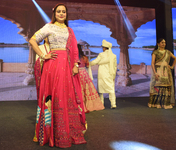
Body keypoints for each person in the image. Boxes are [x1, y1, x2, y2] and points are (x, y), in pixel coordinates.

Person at [29, 3, 87, 148]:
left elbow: (74, 50)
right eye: (59, 12)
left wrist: (75, 65)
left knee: (66, 95)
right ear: (54, 13)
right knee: (53, 95)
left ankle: (67, 131)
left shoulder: (69, 30)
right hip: (53, 65)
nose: (61, 14)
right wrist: (43, 55)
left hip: (66, 65)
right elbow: (32, 40)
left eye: (64, 12)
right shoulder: (48, 27)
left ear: (66, 14)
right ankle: (52, 133)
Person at [148, 38, 176, 109]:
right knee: (158, 87)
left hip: (166, 72)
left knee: (166, 87)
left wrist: (172, 66)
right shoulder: (155, 52)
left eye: (164, 42)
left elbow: (175, 59)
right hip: (158, 71)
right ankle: (156, 103)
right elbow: (152, 63)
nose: (164, 44)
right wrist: (155, 73)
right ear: (158, 44)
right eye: (162, 42)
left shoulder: (167, 52)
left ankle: (165, 103)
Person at [90, 40, 117, 109]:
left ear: (105, 48)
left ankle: (101, 104)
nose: (102, 48)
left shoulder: (101, 55)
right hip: (110, 75)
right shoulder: (113, 56)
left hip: (102, 74)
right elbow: (115, 67)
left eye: (103, 47)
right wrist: (114, 76)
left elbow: (95, 62)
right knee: (111, 89)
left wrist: (88, 63)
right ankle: (113, 104)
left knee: (101, 90)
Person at [77, 44, 105, 112]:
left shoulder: (74, 58)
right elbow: (87, 65)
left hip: (77, 74)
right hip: (84, 74)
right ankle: (88, 106)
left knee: (79, 89)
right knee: (86, 90)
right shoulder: (85, 57)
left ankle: (81, 106)